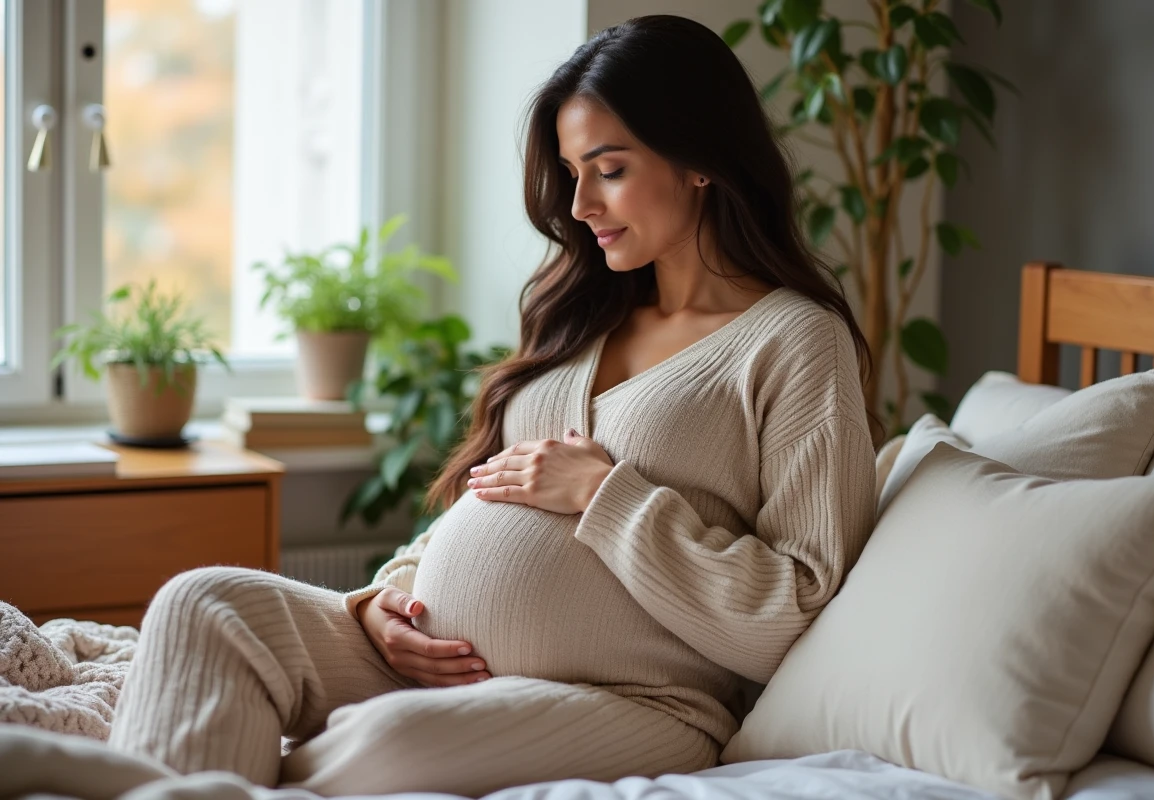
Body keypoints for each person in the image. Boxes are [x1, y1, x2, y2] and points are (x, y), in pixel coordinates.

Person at [108, 14, 877, 797]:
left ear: (699, 161)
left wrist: (604, 497)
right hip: (427, 662)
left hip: (631, 702)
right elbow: (490, 495)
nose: (579, 205)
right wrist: (386, 601)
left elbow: (795, 608)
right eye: (573, 172)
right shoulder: (585, 315)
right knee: (204, 603)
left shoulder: (794, 342)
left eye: (608, 170)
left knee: (387, 746)